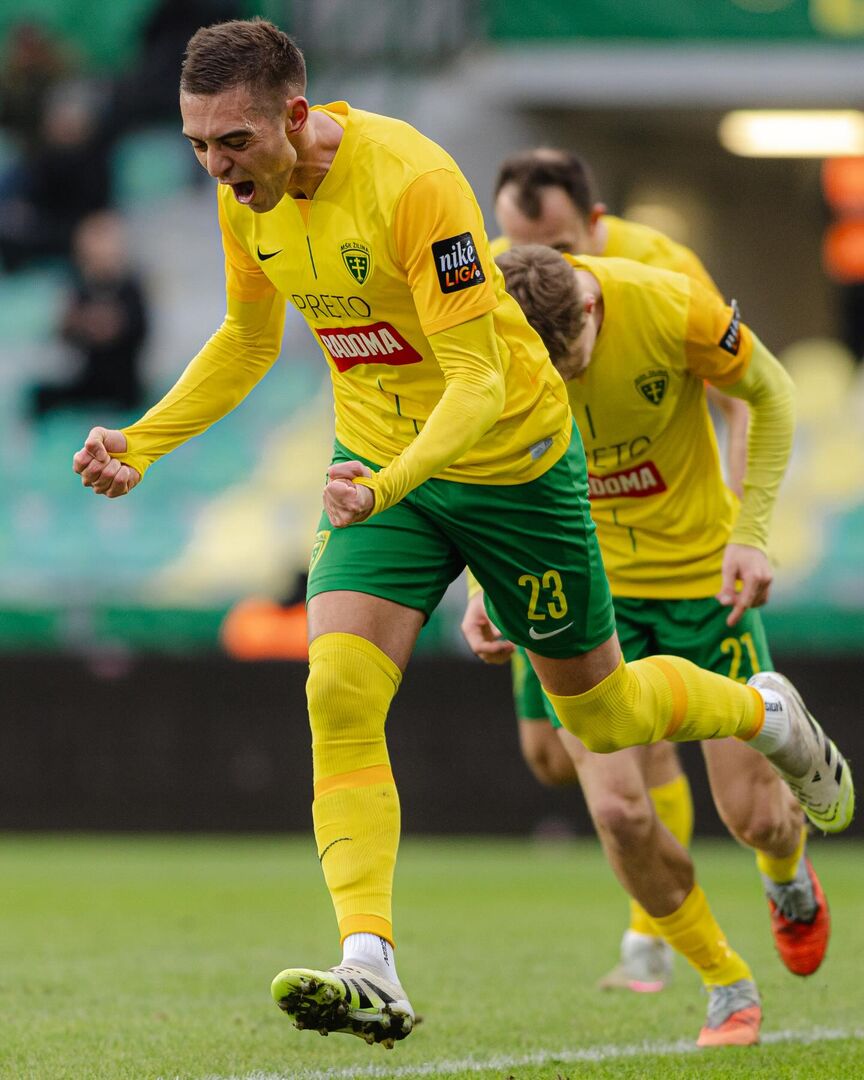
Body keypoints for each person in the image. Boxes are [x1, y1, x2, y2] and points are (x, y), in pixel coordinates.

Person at [71, 18, 853, 1051]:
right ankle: (371, 962)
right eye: (198, 146)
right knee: (337, 691)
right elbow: (249, 339)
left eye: (234, 143)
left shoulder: (414, 182)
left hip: (511, 465)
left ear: (295, 116)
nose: (215, 167)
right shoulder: (246, 200)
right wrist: (143, 441)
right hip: (382, 470)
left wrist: (386, 481)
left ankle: (764, 713)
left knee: (607, 717)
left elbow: (479, 380)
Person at [462, 242, 835, 1045]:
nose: (557, 384)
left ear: (589, 309)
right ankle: (724, 983)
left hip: (702, 584)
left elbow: (770, 391)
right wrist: (480, 586)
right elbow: (474, 460)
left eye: (569, 363)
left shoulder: (670, 305)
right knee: (619, 813)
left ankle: (785, 873)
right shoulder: (483, 326)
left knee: (755, 819)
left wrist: (752, 533)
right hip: (584, 594)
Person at [487, 147, 758, 993]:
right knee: (547, 756)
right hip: (552, 540)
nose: (542, 266)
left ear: (595, 224)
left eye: (562, 247)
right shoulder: (495, 281)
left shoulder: (661, 270)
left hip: (658, 556)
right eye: (521, 245)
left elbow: (742, 395)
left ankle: (656, 937)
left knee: (633, 760)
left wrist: (743, 523)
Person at [31, 210, 148, 417]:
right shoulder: (80, 287)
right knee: (40, 395)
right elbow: (65, 336)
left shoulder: (131, 286)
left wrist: (106, 324)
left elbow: (137, 331)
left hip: (124, 384)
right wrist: (76, 324)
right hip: (89, 377)